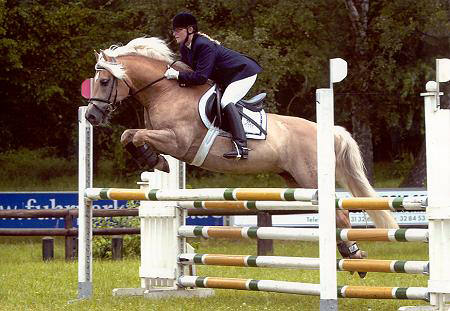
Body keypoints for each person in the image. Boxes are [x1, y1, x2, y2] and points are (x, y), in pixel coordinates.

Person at [164, 12, 262, 160]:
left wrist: (177, 75)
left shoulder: (203, 45)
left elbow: (201, 77)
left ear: (190, 30)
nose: (174, 34)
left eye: (178, 30)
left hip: (243, 72)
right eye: (174, 30)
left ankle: (241, 147)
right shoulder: (185, 47)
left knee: (226, 101)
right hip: (227, 77)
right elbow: (189, 70)